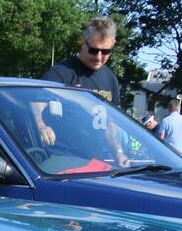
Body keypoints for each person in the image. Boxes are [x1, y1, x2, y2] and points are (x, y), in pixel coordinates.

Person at [35, 16, 127, 164]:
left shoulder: (110, 79)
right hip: (62, 158)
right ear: (82, 42)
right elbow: (36, 104)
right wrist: (41, 126)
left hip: (96, 161)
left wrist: (118, 153)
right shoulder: (60, 74)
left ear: (113, 45)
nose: (98, 57)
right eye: (93, 50)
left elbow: (111, 123)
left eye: (105, 52)